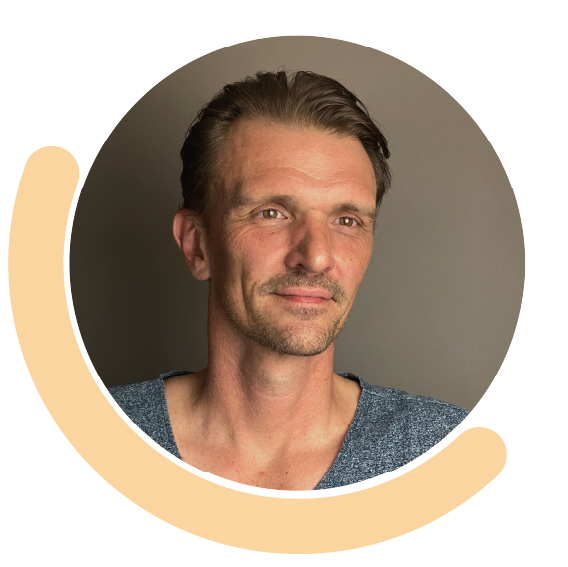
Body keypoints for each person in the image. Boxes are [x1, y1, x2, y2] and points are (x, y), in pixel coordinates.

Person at [109, 70, 468, 491]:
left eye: (347, 220)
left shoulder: (449, 456)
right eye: (271, 213)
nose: (316, 257)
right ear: (197, 245)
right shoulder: (85, 439)